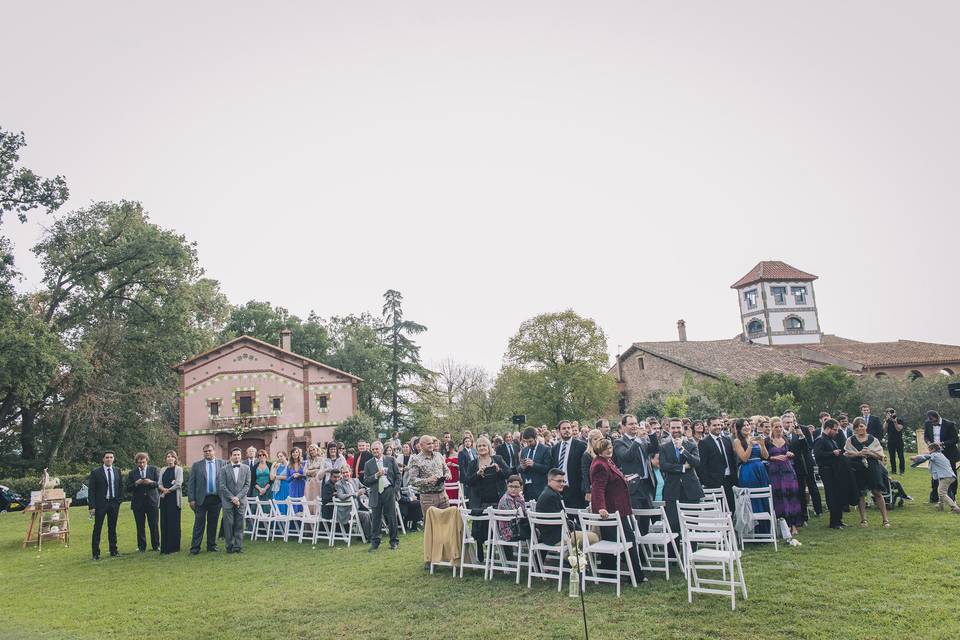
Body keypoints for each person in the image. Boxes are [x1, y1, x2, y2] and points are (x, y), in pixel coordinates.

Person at [590, 438, 645, 581]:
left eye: (610, 447)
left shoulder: (608, 461)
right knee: (629, 539)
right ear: (599, 450)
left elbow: (612, 480)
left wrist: (624, 479)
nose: (609, 450)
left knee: (614, 539)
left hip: (618, 507)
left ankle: (608, 572)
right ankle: (636, 575)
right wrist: (601, 507)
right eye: (606, 448)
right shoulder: (599, 465)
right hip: (611, 510)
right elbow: (598, 488)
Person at [659, 418, 704, 538]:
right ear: (669, 428)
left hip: (691, 490)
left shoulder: (691, 444)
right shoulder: (664, 447)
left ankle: (692, 553)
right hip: (672, 490)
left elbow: (696, 462)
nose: (676, 430)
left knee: (692, 524)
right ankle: (674, 555)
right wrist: (682, 468)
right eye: (673, 428)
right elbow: (663, 466)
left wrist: (682, 450)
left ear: (682, 428)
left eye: (678, 427)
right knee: (673, 525)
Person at [845, 417, 891, 528]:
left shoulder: (873, 440)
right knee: (861, 494)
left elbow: (880, 456)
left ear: (865, 426)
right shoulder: (850, 440)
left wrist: (870, 453)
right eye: (857, 427)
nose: (859, 429)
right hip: (858, 468)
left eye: (861, 426)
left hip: (872, 468)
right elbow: (846, 454)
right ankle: (864, 519)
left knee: (877, 492)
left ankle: (885, 520)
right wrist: (858, 454)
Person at [535, 469, 597, 547]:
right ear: (549, 481)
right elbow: (563, 521)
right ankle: (572, 558)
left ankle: (572, 557)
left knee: (588, 535)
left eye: (563, 481)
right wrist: (581, 529)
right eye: (559, 481)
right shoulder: (551, 496)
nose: (562, 484)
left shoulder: (548, 492)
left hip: (551, 536)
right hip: (557, 537)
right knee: (594, 538)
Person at [613, 415, 657, 524]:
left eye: (635, 423)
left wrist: (651, 433)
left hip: (647, 484)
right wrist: (637, 439)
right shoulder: (619, 442)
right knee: (636, 521)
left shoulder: (643, 440)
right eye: (631, 424)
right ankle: (637, 541)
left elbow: (655, 449)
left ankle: (646, 540)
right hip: (633, 487)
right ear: (623, 427)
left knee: (647, 520)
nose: (634, 426)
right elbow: (627, 456)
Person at [732, 417, 771, 534]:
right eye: (743, 425)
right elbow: (743, 458)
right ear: (738, 428)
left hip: (760, 469)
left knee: (763, 497)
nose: (747, 427)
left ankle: (765, 530)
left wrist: (762, 445)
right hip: (748, 470)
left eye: (748, 425)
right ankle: (754, 531)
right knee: (752, 499)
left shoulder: (755, 438)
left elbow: (765, 456)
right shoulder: (737, 441)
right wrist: (749, 445)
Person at [766, 421, 804, 536]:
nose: (778, 429)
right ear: (772, 428)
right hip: (775, 471)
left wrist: (790, 453)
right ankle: (783, 525)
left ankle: (793, 525)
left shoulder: (786, 439)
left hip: (788, 470)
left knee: (791, 496)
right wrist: (774, 457)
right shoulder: (768, 441)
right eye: (776, 427)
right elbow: (765, 456)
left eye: (780, 427)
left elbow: (793, 451)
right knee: (779, 497)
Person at [363, 441, 401, 551]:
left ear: (381, 450)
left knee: (391, 517)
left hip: (389, 490)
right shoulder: (368, 464)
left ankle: (394, 541)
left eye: (377, 449)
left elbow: (398, 476)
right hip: (375, 492)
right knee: (376, 518)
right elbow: (365, 481)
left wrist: (395, 490)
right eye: (373, 449)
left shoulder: (390, 460)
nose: (375, 451)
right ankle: (375, 542)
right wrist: (376, 475)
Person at [187, 443, 224, 554]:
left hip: (216, 499)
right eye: (205, 451)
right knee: (199, 524)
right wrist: (191, 499)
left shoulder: (222, 463)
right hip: (201, 499)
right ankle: (195, 548)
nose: (207, 453)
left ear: (214, 451)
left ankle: (211, 545)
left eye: (209, 450)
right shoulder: (197, 465)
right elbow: (191, 483)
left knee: (213, 523)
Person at [698, 416, 737, 517]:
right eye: (714, 425)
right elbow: (702, 466)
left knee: (731, 508)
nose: (718, 427)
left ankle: (731, 531)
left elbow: (732, 461)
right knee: (719, 511)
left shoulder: (727, 440)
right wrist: (708, 482)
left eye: (719, 425)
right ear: (709, 426)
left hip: (730, 481)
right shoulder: (704, 443)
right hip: (715, 483)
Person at [814, 419, 850, 529]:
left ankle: (838, 520)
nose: (837, 432)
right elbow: (818, 455)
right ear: (828, 428)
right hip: (826, 470)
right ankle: (833, 522)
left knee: (838, 494)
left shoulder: (832, 441)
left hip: (835, 470)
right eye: (835, 430)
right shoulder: (820, 440)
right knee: (832, 495)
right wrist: (832, 453)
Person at [89, 451, 124, 560]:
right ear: (103, 459)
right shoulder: (96, 472)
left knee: (112, 527)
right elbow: (91, 490)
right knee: (98, 528)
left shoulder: (117, 471)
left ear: (113, 459)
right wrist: (92, 506)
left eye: (111, 457)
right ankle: (96, 553)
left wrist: (119, 500)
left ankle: (113, 550)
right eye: (107, 457)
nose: (109, 459)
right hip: (101, 504)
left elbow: (120, 486)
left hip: (114, 503)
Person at [785, 415, 822, 517]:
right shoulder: (782, 434)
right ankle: (803, 513)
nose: (789, 424)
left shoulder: (801, 430)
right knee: (799, 489)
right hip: (790, 465)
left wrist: (801, 436)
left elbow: (808, 446)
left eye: (791, 422)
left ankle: (818, 510)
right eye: (787, 422)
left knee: (811, 486)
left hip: (804, 462)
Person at [406, 435, 452, 513]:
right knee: (431, 524)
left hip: (443, 495)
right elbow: (411, 480)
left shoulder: (438, 455)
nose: (431, 445)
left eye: (432, 443)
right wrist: (427, 480)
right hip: (428, 498)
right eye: (428, 444)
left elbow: (446, 470)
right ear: (421, 445)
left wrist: (447, 475)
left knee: (446, 523)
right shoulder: (416, 460)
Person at [217, 447, 251, 553]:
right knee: (229, 523)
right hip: (228, 501)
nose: (237, 456)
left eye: (238, 454)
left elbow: (247, 485)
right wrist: (232, 497)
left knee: (240, 524)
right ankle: (229, 546)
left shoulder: (246, 468)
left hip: (241, 501)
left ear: (241, 456)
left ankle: (238, 546)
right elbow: (222, 485)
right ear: (231, 456)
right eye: (235, 454)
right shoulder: (224, 469)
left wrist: (238, 497)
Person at [126, 452, 160, 552]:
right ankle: (141, 546)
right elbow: (128, 488)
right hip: (138, 503)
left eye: (143, 462)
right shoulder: (132, 473)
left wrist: (150, 482)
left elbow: (159, 484)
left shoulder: (153, 470)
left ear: (147, 461)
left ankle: (156, 545)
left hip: (152, 502)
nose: (141, 464)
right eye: (139, 462)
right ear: (136, 462)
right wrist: (136, 483)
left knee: (153, 525)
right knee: (140, 526)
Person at [911, 443, 960, 513]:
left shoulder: (935, 455)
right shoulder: (941, 455)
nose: (929, 451)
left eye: (929, 450)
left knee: (942, 493)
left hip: (945, 476)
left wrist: (915, 458)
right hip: (949, 476)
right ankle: (940, 506)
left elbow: (925, 457)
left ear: (933, 449)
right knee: (941, 491)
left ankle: (955, 508)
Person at [551, 420, 588, 508]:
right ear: (559, 431)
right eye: (564, 428)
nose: (567, 430)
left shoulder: (581, 446)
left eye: (569, 428)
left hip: (576, 489)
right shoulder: (555, 448)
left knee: (578, 517)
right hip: (560, 489)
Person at [924, 411, 958, 502]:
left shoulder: (949, 424)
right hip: (935, 453)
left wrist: (942, 444)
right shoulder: (928, 424)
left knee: (951, 474)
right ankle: (934, 497)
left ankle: (952, 496)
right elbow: (926, 436)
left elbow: (955, 439)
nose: (931, 422)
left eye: (932, 420)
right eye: (930, 420)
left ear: (937, 417)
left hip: (948, 453)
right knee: (934, 474)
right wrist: (929, 443)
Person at [335, 466, 373, 536]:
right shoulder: (339, 484)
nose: (345, 474)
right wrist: (355, 494)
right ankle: (370, 537)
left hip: (359, 507)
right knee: (366, 515)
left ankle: (370, 534)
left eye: (346, 472)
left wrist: (364, 490)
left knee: (373, 512)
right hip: (348, 511)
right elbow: (341, 496)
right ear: (341, 474)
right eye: (343, 473)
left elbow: (364, 487)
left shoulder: (355, 480)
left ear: (350, 472)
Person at [157, 450, 182, 554]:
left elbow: (178, 484)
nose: (170, 458)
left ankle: (174, 548)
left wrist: (168, 490)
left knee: (174, 523)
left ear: (175, 459)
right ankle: (165, 547)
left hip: (173, 500)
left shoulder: (179, 470)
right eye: (168, 457)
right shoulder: (163, 470)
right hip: (164, 499)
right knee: (164, 523)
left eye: (172, 456)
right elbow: (159, 483)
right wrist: (163, 489)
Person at [519, 426, 551, 501]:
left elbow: (548, 468)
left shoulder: (545, 449)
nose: (528, 444)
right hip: (527, 488)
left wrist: (534, 464)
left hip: (540, 487)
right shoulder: (524, 450)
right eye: (526, 442)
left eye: (530, 441)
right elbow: (519, 468)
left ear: (536, 438)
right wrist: (522, 467)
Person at [496, 475, 528, 544]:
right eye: (510, 486)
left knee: (539, 534)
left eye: (516, 487)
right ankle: (535, 554)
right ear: (507, 487)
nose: (513, 489)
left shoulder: (517, 497)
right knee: (537, 534)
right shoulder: (506, 499)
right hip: (509, 533)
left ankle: (535, 554)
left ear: (521, 488)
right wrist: (522, 501)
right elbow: (519, 516)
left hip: (517, 529)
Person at [304, 444, 324, 513]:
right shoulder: (308, 461)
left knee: (316, 498)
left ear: (317, 450)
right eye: (310, 450)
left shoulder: (322, 459)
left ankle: (317, 515)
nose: (312, 451)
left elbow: (320, 471)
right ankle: (309, 516)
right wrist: (314, 470)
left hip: (317, 482)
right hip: (309, 482)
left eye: (313, 450)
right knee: (309, 498)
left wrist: (310, 471)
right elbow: (305, 472)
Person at [287, 447, 306, 512]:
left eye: (296, 452)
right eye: (293, 452)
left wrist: (300, 475)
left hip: (302, 485)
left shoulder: (304, 463)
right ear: (291, 454)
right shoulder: (289, 465)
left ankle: (302, 520)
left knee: (302, 502)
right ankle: (293, 520)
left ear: (299, 453)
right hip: (293, 487)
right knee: (294, 503)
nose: (295, 453)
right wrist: (293, 476)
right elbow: (287, 479)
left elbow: (307, 476)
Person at [885, 410, 905, 475]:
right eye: (889, 413)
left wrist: (895, 422)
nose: (891, 414)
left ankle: (902, 470)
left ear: (895, 413)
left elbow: (899, 429)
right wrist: (886, 421)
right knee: (892, 456)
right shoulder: (887, 421)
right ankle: (894, 470)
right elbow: (884, 429)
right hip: (890, 441)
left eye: (892, 412)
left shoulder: (899, 420)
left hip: (899, 441)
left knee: (901, 456)